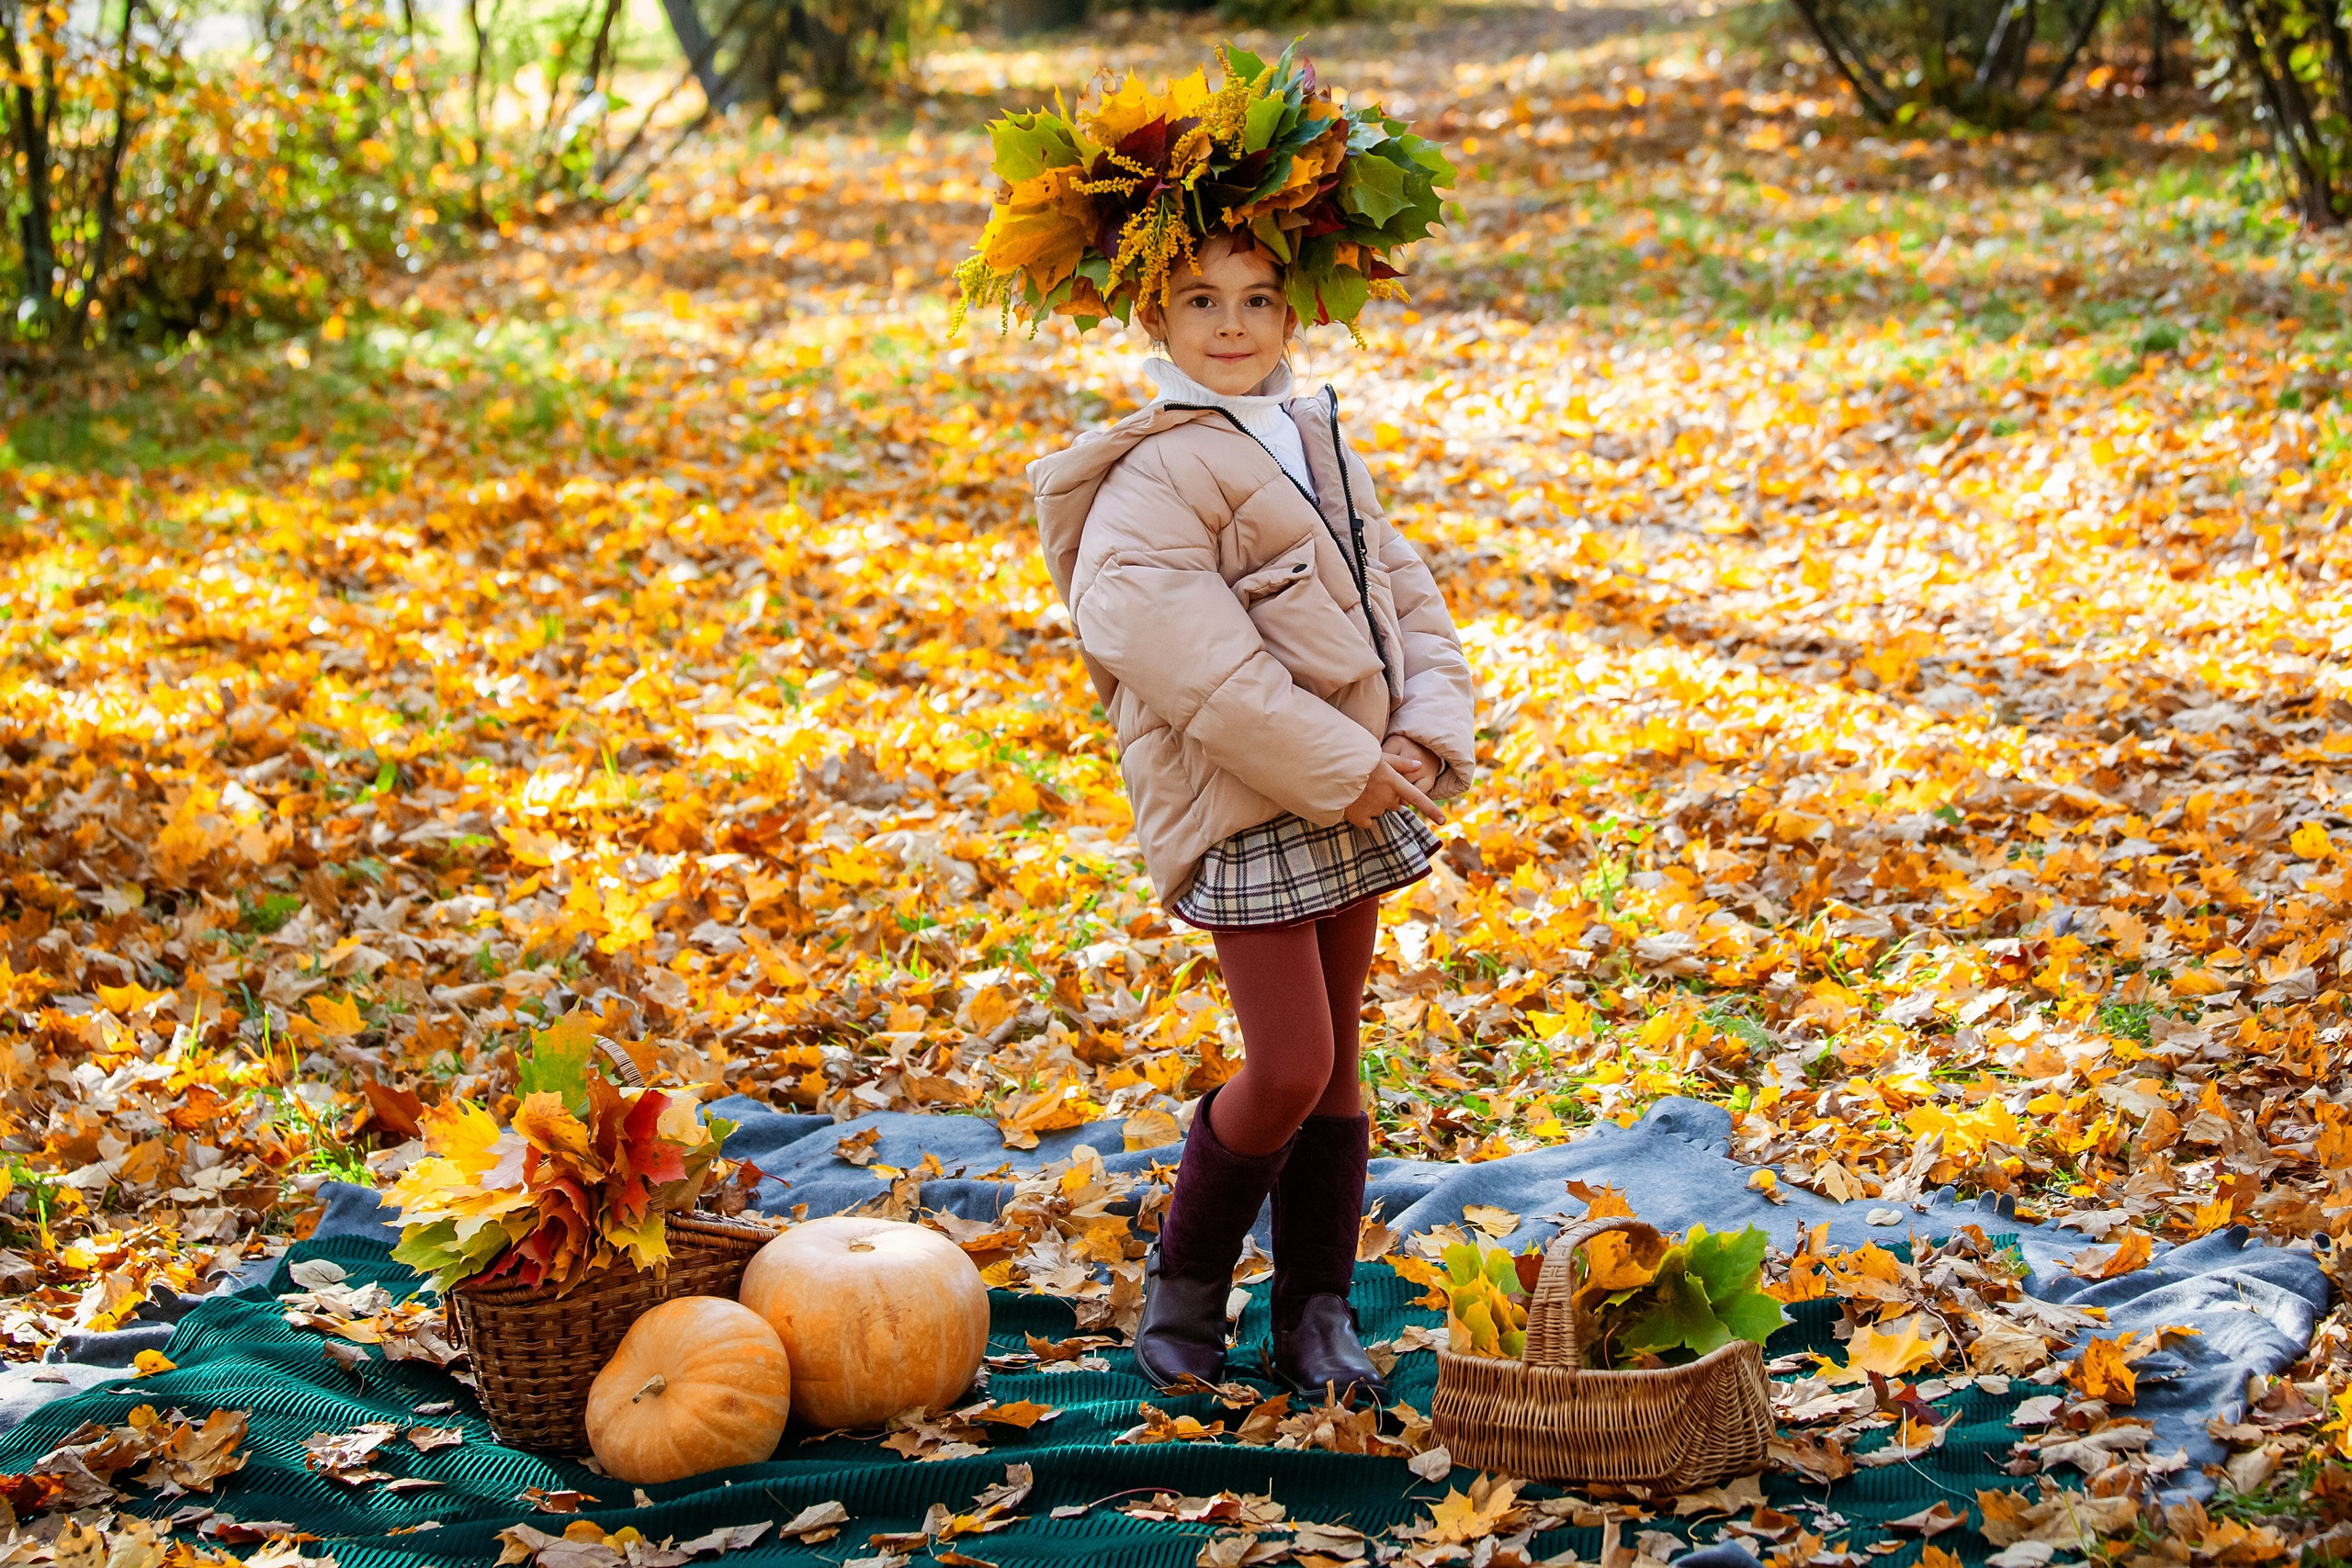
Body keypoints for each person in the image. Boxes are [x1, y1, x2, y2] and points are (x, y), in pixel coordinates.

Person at [1029, 232, 1477, 1401]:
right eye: (1200, 300)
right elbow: (1200, 670)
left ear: (1292, 317)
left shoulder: (1313, 438)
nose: (1231, 325)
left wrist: (1420, 732)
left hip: (1351, 784)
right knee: (1287, 1065)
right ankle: (1185, 1282)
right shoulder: (1149, 479)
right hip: (1250, 804)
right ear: (1155, 323)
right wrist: (1344, 761)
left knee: (1337, 1066)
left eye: (1258, 299)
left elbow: (1404, 596)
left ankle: (1313, 1311)